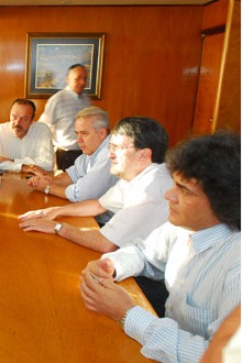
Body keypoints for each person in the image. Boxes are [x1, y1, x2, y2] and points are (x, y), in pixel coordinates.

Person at [79, 132, 241, 363]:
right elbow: (144, 252)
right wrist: (112, 264)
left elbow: (222, 358)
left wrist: (127, 314)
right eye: (174, 184)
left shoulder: (236, 267)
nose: (169, 195)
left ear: (223, 201)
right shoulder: (184, 226)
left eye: (184, 190)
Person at [18, 117, 172, 253]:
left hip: (153, 280)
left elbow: (105, 243)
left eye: (117, 148)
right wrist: (56, 211)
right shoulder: (136, 176)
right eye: (110, 147)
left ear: (144, 154)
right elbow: (98, 205)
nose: (110, 154)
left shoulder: (151, 188)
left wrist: (57, 227)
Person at [27, 106, 118, 205]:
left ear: (101, 133)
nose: (78, 140)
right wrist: (48, 181)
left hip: (109, 219)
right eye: (77, 134)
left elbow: (81, 195)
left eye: (84, 133)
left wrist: (47, 188)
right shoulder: (92, 151)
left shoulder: (110, 154)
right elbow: (73, 175)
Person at [38, 64, 91, 170]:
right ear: (68, 79)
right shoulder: (57, 99)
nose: (82, 82)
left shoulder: (86, 100)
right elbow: (43, 127)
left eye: (85, 79)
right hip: (65, 155)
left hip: (84, 153)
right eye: (78, 78)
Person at [0, 98, 54, 174]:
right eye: (14, 117)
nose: (17, 123)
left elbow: (48, 164)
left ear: (32, 120)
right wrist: (21, 167)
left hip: (35, 181)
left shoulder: (42, 130)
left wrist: (13, 161)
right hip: (7, 180)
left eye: (24, 119)